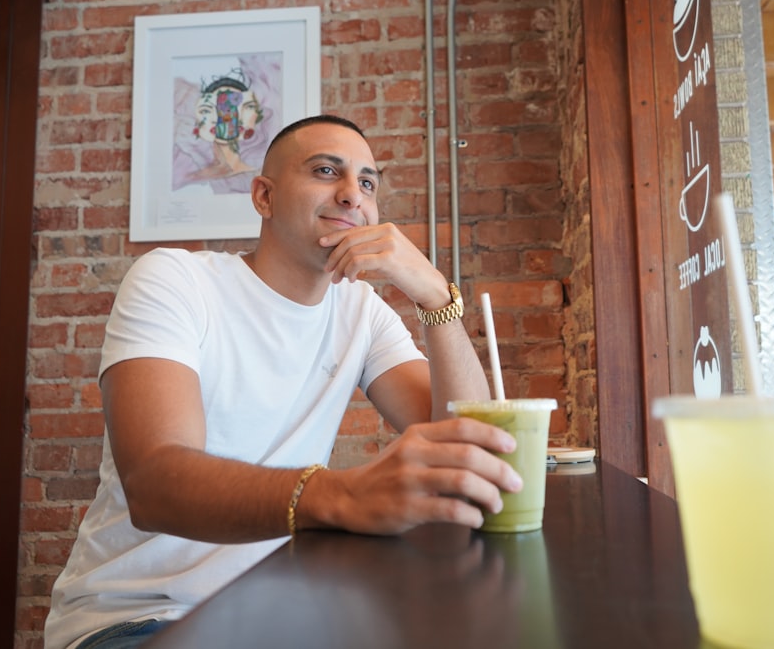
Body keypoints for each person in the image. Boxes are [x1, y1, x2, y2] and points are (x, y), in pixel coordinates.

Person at [44, 114, 523, 649]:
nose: (351, 195)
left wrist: (436, 295)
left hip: (280, 610)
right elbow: (155, 485)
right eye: (326, 171)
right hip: (143, 618)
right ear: (263, 197)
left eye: (367, 183)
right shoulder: (176, 281)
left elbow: (465, 435)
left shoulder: (360, 310)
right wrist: (342, 495)